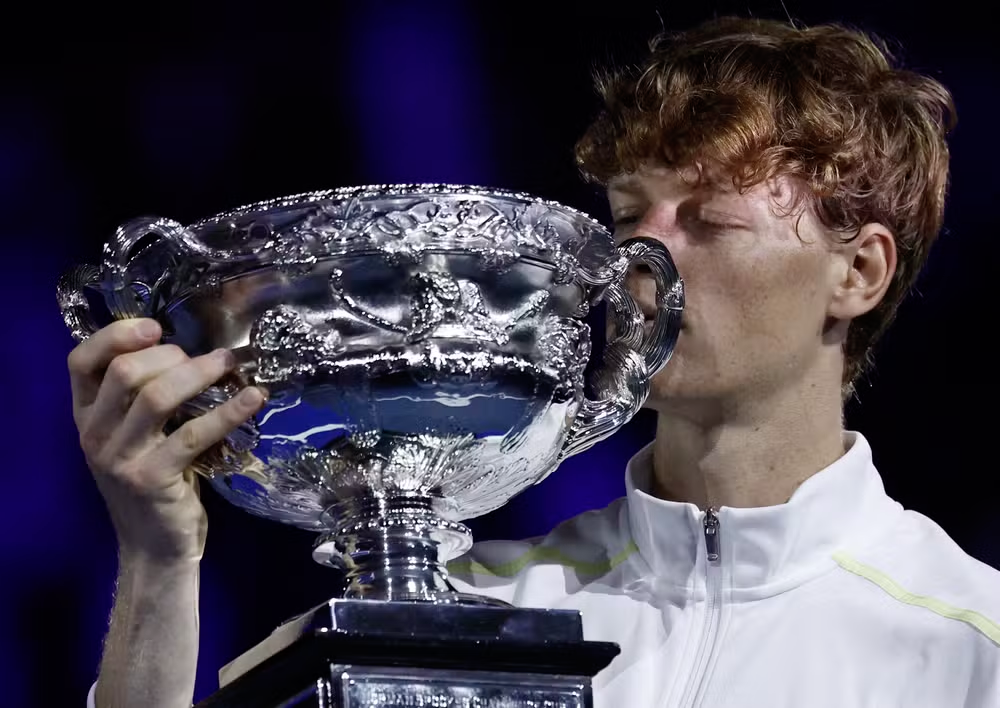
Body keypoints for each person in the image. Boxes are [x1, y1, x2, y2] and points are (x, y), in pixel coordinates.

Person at [72, 16, 999, 708]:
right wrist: (159, 563)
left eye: (711, 221)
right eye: (630, 215)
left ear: (859, 272)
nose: (645, 265)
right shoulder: (457, 609)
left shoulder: (968, 644)